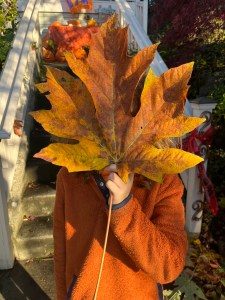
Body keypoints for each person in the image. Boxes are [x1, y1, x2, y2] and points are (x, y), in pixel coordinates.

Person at [53, 155, 188, 299]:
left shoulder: (162, 179)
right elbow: (61, 252)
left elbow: (170, 266)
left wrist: (124, 207)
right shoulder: (69, 175)